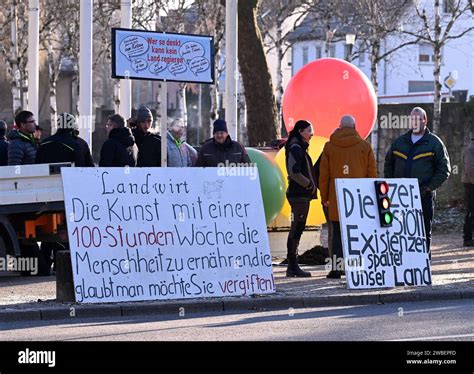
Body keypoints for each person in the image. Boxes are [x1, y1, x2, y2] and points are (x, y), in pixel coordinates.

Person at [384, 107, 451, 258]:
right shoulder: (400, 142)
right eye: (412, 119)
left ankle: (423, 265)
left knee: (423, 230)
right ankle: (404, 263)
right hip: (401, 196)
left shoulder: (434, 143)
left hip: (423, 196)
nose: (414, 122)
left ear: (424, 120)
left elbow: (444, 169)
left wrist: (429, 188)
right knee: (401, 230)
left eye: (417, 119)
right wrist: (391, 184)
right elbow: (389, 162)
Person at [320, 115, 377, 279]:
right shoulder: (365, 147)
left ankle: (336, 269)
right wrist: (370, 198)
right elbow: (371, 175)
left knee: (337, 234)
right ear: (354, 126)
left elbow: (324, 176)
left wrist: (325, 197)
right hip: (358, 199)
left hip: (336, 198)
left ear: (339, 127)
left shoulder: (329, 147)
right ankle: (357, 268)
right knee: (357, 233)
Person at [284, 120, 318, 277]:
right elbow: (294, 171)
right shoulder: (296, 148)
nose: (311, 134)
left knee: (297, 227)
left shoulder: (298, 147)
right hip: (299, 195)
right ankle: (293, 265)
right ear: (300, 132)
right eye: (309, 131)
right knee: (297, 228)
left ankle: (292, 265)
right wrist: (309, 185)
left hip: (300, 195)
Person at [461, 133, 474, 246]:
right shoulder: (470, 149)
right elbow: (469, 169)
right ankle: (468, 238)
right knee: (470, 211)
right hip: (470, 184)